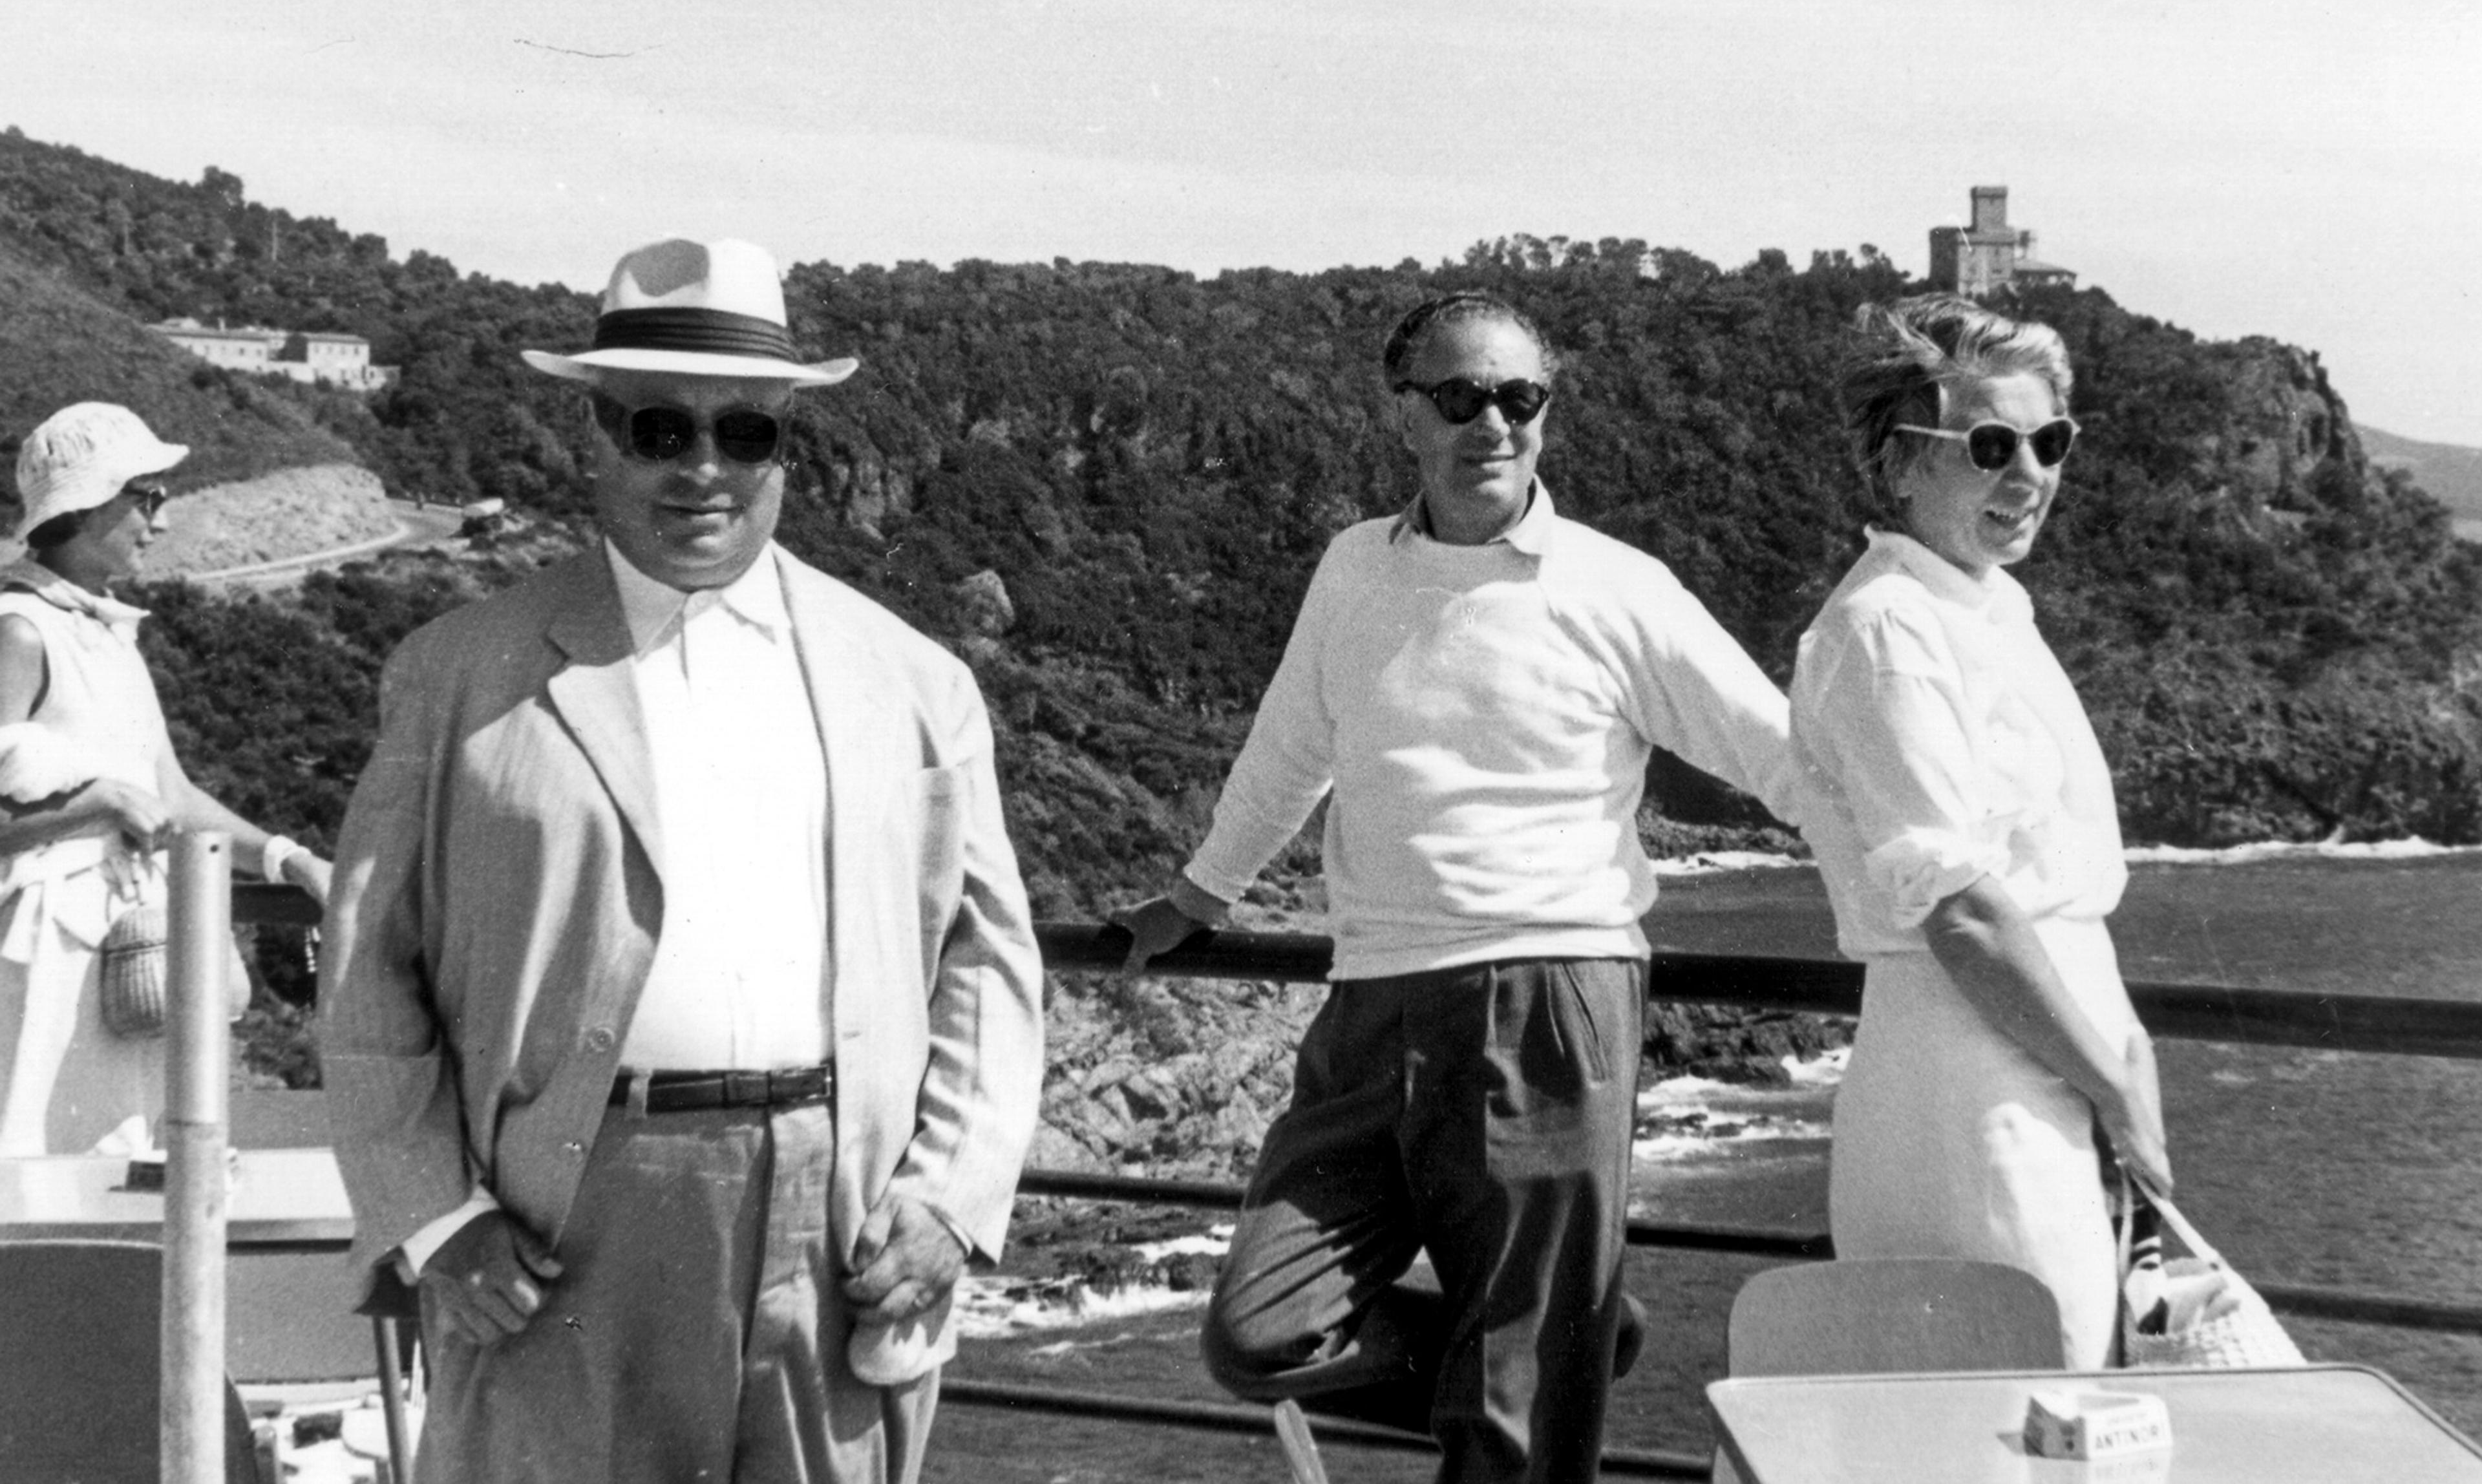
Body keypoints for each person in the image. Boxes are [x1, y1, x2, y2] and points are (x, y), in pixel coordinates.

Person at [320, 237, 1045, 1484]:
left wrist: (952, 1193)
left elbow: (986, 957)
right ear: (594, 438)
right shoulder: (458, 674)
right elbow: (365, 966)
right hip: (560, 1217)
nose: (704, 467)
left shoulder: (915, 682)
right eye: (660, 427)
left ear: (785, 448)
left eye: (744, 433)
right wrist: (436, 1214)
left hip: (838, 1218)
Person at [1118, 292, 1807, 1481]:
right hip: (1371, 1002)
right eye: (1460, 396)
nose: (1492, 421)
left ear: (1546, 413)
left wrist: (1921, 883)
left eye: (1519, 397)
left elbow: (1780, 751)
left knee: (1513, 1430)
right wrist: (1202, 891)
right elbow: (1293, 745)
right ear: (1408, 416)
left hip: (1545, 996)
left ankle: (1552, 1345)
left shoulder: (1616, 584)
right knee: (1263, 1327)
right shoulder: (1353, 569)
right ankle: (1569, 1335)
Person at [1788, 293, 2170, 1369]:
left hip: (2047, 1066)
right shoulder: (1888, 629)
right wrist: (2116, 1088)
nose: (2029, 474)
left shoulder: (1982, 609)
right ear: (1904, 463)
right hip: (1977, 1098)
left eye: (2050, 442)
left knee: (2053, 1401)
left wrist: (2107, 1080)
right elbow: (1963, 911)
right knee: (2021, 1410)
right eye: (1990, 445)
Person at [0, 402, 332, 1157]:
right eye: (146, 496)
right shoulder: (18, 629)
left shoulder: (110, 633)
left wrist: (291, 859)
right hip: (46, 956)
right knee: (42, 1168)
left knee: (133, 1161)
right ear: (85, 506)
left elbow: (175, 797)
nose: (162, 518)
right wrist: (101, 803)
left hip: (133, 952)